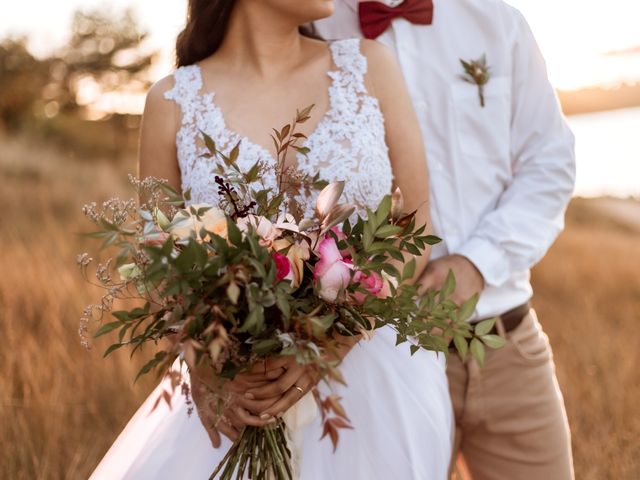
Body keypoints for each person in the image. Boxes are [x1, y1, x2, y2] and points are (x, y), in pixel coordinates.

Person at [90, 0, 454, 478]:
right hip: (240, 388)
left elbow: (417, 222)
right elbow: (161, 267)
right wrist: (202, 362)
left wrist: (332, 338)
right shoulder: (172, 101)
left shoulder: (368, 65)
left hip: (374, 385)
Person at [315, 0, 576, 478]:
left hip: (506, 344)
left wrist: (477, 263)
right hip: (375, 362)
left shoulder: (497, 20)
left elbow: (550, 162)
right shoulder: (310, 27)